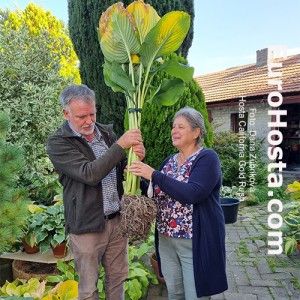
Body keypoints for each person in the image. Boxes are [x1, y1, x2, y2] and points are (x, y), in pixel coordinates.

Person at [46, 84, 145, 300]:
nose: (89, 121)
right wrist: (120, 146)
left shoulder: (106, 133)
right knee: (89, 289)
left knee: (117, 278)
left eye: (92, 113)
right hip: (87, 226)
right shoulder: (58, 143)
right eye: (82, 116)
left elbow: (116, 169)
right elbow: (89, 173)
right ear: (66, 113)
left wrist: (136, 157)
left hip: (117, 222)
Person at [129, 107, 228, 299]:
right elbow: (156, 193)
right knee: (175, 292)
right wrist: (138, 174)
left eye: (181, 127)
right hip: (166, 240)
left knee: (195, 295)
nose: (174, 131)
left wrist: (154, 174)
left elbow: (194, 193)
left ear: (196, 132)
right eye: (173, 126)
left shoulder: (207, 158)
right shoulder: (169, 162)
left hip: (194, 240)